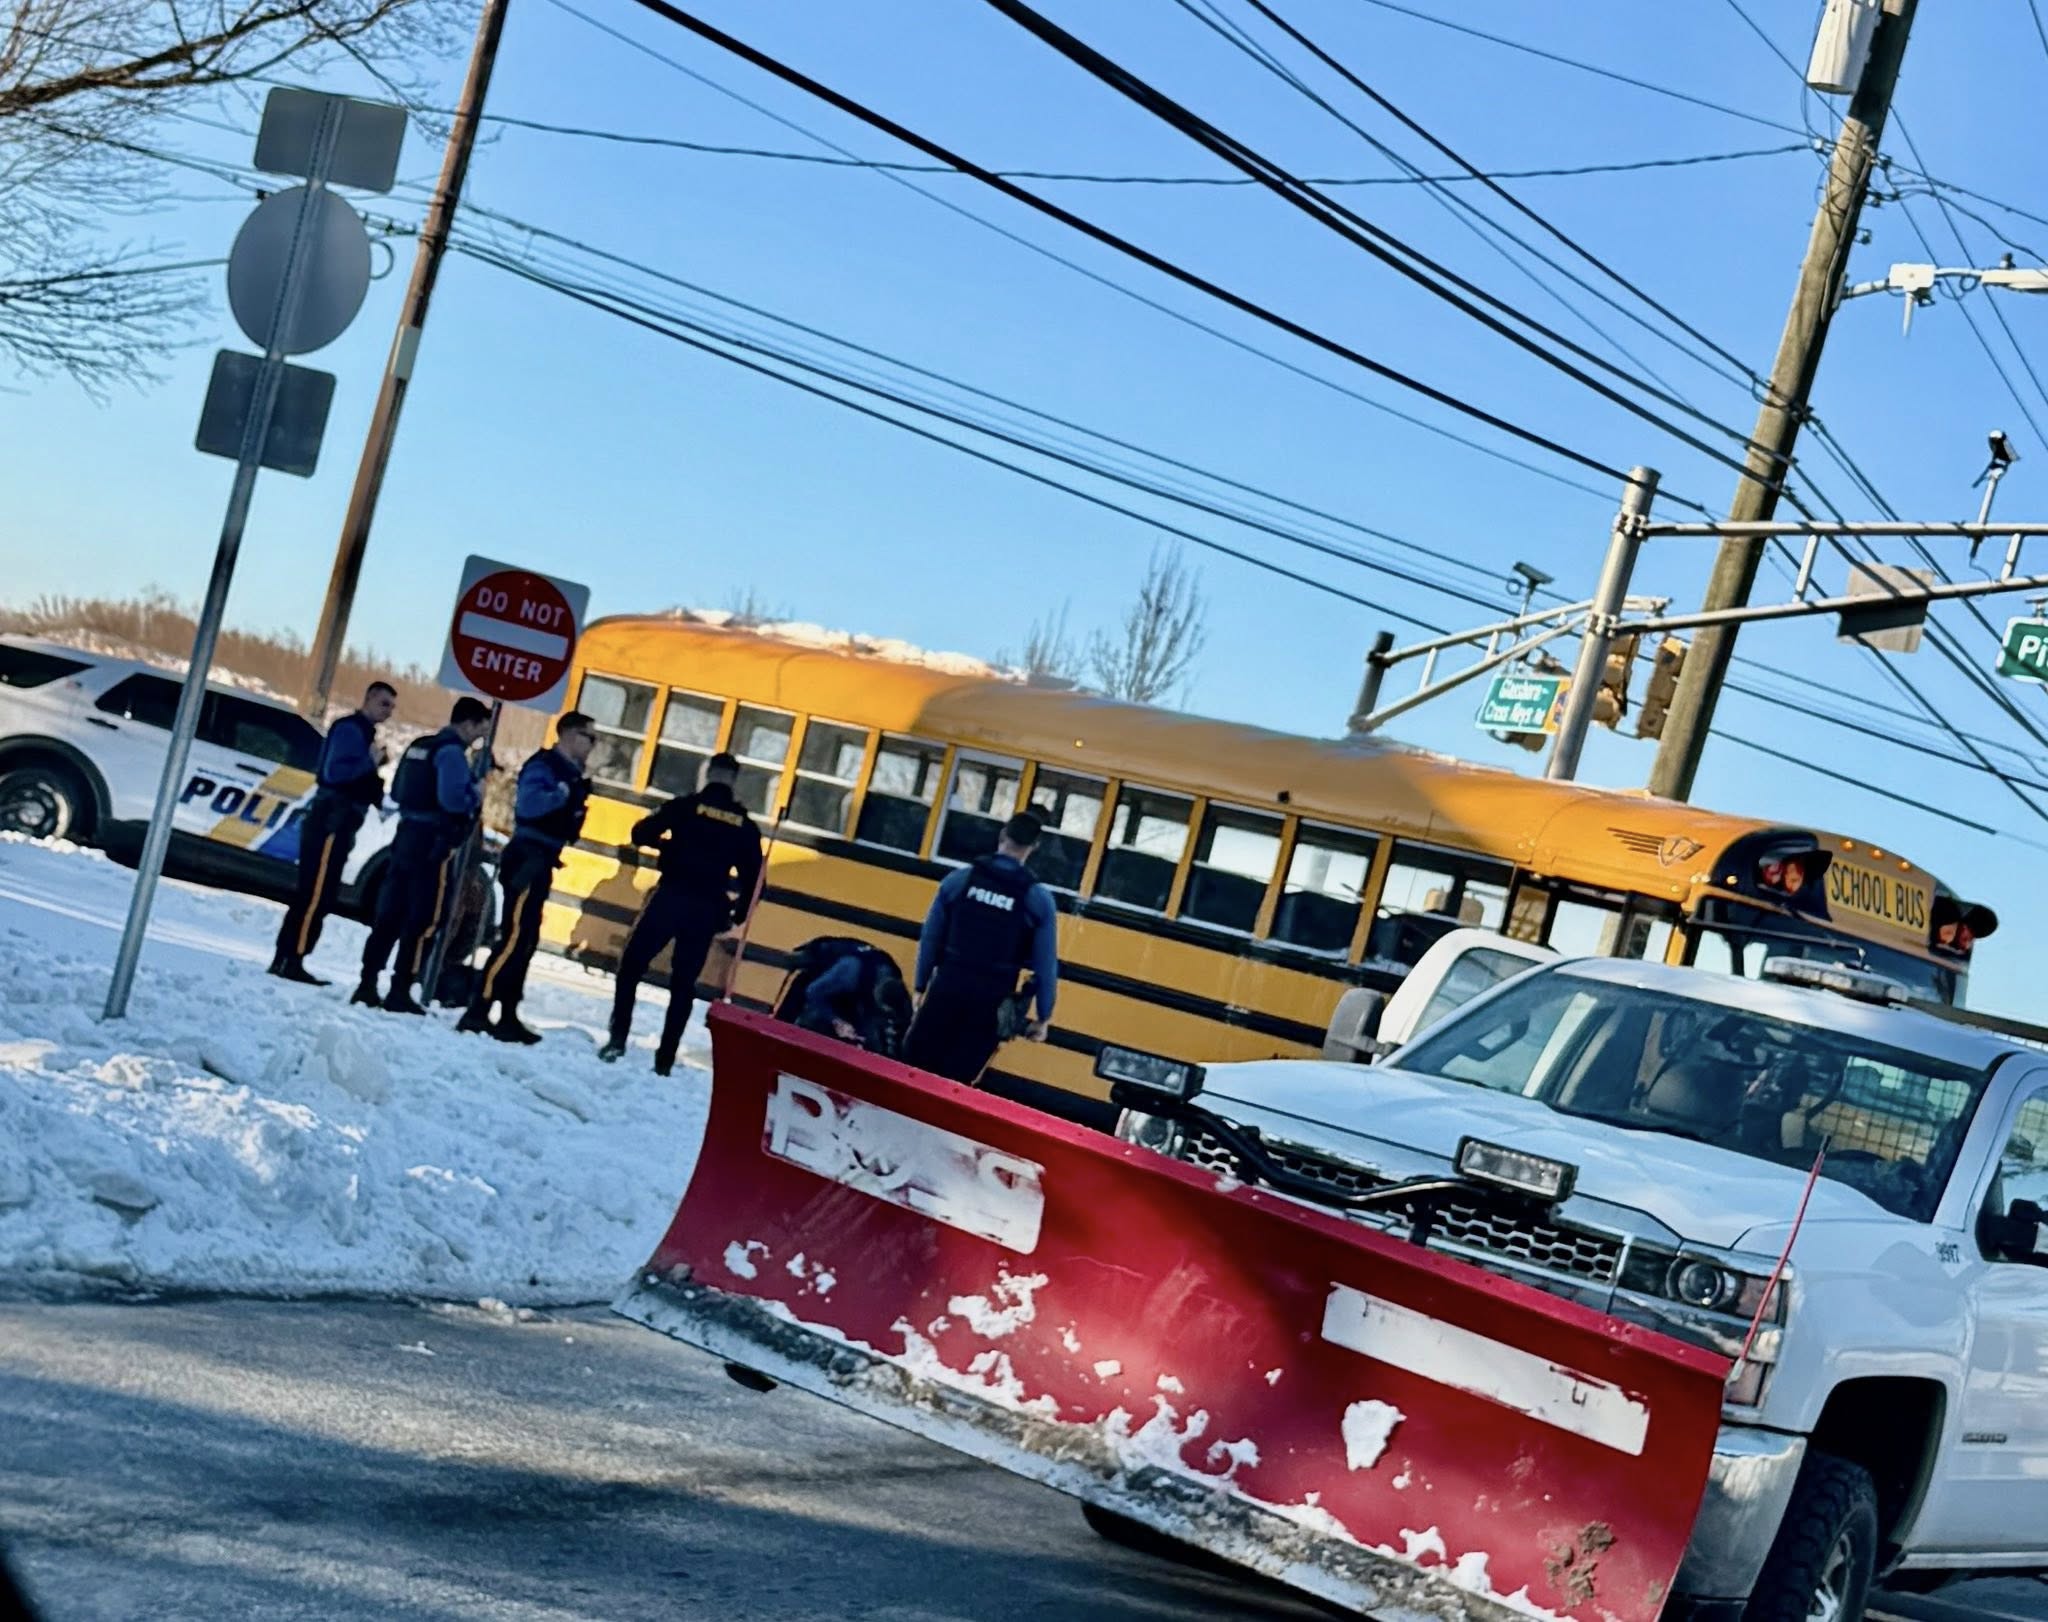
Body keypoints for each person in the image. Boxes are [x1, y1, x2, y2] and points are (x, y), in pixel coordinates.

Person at [599, 751, 763, 1076]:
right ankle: (665, 1059)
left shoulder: (685, 807)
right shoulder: (743, 824)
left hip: (670, 897)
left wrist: (667, 847)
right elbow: (755, 880)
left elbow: (640, 833)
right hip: (706, 907)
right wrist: (737, 915)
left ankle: (617, 1039)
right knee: (683, 984)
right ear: (733, 780)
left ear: (708, 774)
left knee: (632, 965)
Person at [459, 713, 596, 1043]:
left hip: (543, 859)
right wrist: (561, 795)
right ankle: (479, 1008)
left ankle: (507, 1013)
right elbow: (531, 806)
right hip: (528, 858)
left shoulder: (571, 774)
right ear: (567, 735)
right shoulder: (546, 767)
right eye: (588, 737)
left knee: (527, 940)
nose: (592, 745)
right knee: (514, 936)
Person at [353, 697, 490, 1015]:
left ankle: (367, 982)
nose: (478, 738)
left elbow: (398, 791)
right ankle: (400, 989)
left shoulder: (419, 746)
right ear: (467, 724)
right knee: (423, 919)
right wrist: (476, 794)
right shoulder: (451, 753)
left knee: (388, 915)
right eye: (479, 730)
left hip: (405, 837)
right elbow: (454, 800)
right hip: (434, 844)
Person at [902, 812, 1059, 1085]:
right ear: (1034, 847)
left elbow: (930, 937)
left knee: (914, 1067)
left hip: (948, 983)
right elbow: (1046, 965)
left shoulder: (960, 880)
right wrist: (1043, 1017)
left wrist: (920, 985)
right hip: (992, 997)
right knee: (958, 1081)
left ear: (1002, 836)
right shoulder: (1037, 898)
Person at [269, 680, 397, 985]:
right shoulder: (351, 730)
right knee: (315, 893)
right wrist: (370, 762)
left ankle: (288, 957)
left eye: (391, 707)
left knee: (317, 892)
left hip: (340, 821)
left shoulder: (361, 732)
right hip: (331, 821)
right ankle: (292, 958)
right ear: (368, 698)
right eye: (384, 704)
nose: (388, 712)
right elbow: (334, 773)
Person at [778, 936, 913, 1056]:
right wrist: (837, 1022)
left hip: (853, 981)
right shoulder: (849, 973)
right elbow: (813, 992)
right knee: (811, 1018)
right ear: (875, 996)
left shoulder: (893, 972)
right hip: (816, 971)